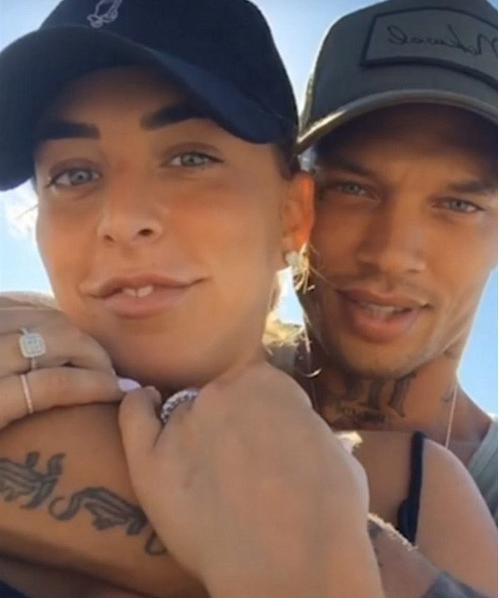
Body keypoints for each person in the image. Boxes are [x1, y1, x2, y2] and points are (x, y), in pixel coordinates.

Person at [0, 0, 496, 597]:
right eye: (73, 175)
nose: (123, 219)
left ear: (292, 213)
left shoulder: (422, 494)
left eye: (190, 158)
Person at [286, 0, 498, 526]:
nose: (391, 253)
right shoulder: (160, 390)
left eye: (459, 205)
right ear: (290, 201)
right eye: (353, 189)